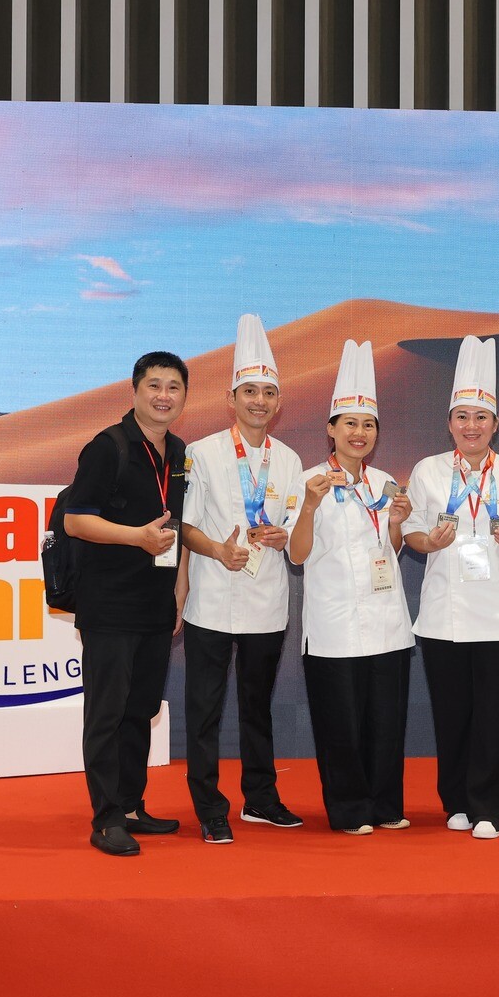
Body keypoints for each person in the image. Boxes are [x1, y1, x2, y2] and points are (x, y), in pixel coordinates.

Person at [401, 336, 499, 840]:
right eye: (462, 417)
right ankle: (456, 800)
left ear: (495, 424)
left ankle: (490, 806)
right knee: (452, 713)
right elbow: (411, 532)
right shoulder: (427, 470)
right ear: (449, 422)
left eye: (481, 417)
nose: (471, 426)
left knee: (498, 714)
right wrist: (428, 541)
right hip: (445, 612)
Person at [178, 314, 306, 843]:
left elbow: (296, 528)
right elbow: (185, 526)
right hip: (211, 597)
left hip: (266, 601)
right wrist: (217, 550)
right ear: (231, 399)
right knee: (205, 710)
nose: (259, 401)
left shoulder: (289, 460)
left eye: (268, 393)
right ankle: (210, 807)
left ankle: (261, 799)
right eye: (249, 392)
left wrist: (281, 535)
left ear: (279, 403)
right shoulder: (201, 453)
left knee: (258, 707)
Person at [63, 350, 191, 857]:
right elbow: (76, 520)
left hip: (155, 604)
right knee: (107, 713)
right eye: (154, 385)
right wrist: (136, 537)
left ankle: (132, 806)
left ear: (184, 396)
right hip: (110, 605)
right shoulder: (107, 447)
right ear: (135, 390)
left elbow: (177, 526)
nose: (164, 396)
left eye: (174, 387)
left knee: (140, 711)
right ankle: (106, 818)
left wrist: (180, 589)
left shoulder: (178, 452)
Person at [287, 341, 417, 834]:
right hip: (334, 625)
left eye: (368, 425)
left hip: (386, 623)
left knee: (386, 720)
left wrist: (398, 522)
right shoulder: (310, 481)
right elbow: (297, 555)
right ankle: (349, 810)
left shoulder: (385, 482)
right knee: (339, 724)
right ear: (331, 429)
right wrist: (308, 507)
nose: (359, 433)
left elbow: (392, 549)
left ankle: (386, 806)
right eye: (349, 424)